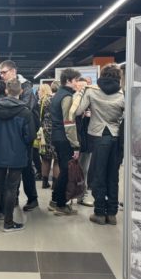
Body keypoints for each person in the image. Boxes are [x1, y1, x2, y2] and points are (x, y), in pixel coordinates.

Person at [0, 79, 36, 233]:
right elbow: (30, 136)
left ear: (6, 90)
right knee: (11, 188)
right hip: (17, 154)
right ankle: (8, 223)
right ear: (21, 92)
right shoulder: (25, 112)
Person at [74, 63, 125, 225]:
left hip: (97, 136)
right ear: (118, 77)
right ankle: (112, 213)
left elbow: (78, 111)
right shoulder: (123, 93)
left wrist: (80, 93)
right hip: (116, 137)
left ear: (102, 75)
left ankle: (99, 213)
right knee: (113, 175)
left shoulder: (91, 91)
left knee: (98, 175)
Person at [0, 60, 39, 212]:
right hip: (10, 132)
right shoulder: (6, 87)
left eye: (4, 72)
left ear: (13, 71)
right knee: (11, 167)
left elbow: (26, 108)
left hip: (24, 132)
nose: (2, 75)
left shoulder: (26, 87)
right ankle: (13, 197)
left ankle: (32, 198)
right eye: (0, 73)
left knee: (26, 166)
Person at [49, 68, 81, 215]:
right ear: (68, 80)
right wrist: (75, 144)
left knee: (63, 170)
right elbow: (69, 122)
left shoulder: (57, 95)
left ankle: (55, 200)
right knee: (66, 171)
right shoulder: (67, 97)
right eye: (76, 80)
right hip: (64, 137)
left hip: (57, 136)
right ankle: (60, 205)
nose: (77, 83)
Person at [70, 77, 94, 207]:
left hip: (87, 141)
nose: (84, 90)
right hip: (76, 141)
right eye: (81, 87)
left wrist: (90, 116)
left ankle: (81, 195)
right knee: (72, 169)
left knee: (84, 170)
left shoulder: (91, 103)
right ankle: (71, 194)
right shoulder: (73, 102)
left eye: (86, 87)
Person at [37, 83, 58, 189]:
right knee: (57, 159)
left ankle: (44, 182)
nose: (38, 92)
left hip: (44, 132)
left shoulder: (40, 101)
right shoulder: (54, 100)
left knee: (45, 158)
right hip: (55, 130)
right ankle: (55, 184)